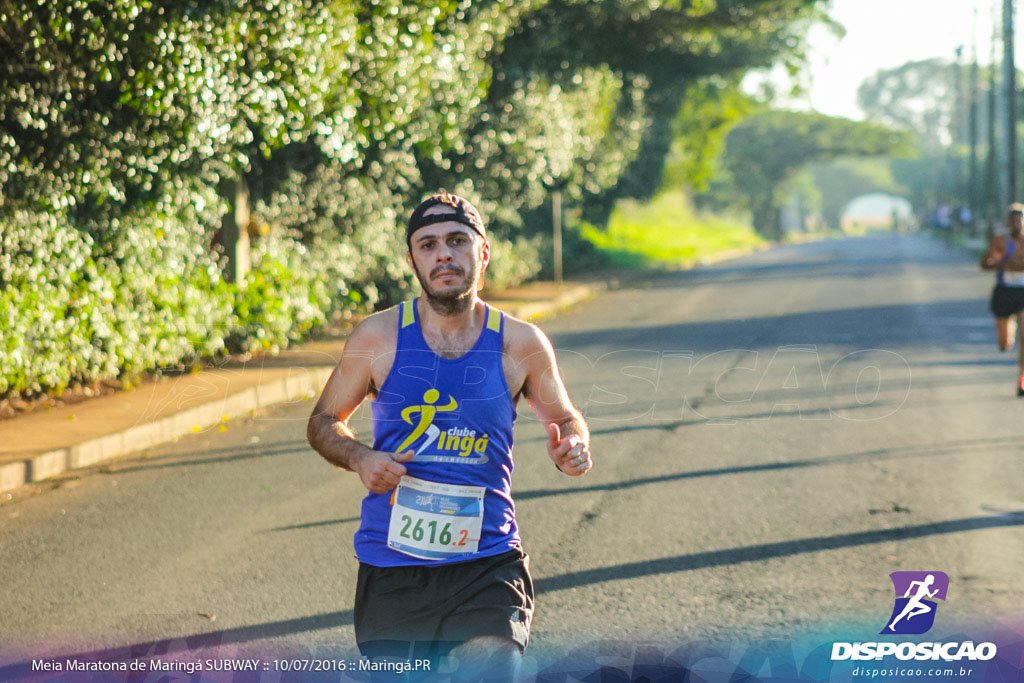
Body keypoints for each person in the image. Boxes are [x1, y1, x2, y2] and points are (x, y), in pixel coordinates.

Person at [306, 190, 593, 680]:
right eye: (428, 244)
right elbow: (323, 422)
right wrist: (359, 458)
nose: (444, 254)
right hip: (393, 566)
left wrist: (572, 443)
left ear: (482, 253)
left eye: (458, 240)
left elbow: (564, 418)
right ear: (413, 259)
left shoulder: (520, 343)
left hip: (487, 561)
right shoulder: (378, 338)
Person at [980, 203, 1024, 395]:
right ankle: (1006, 339)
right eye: (1013, 220)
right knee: (1005, 343)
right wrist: (1002, 265)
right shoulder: (1000, 241)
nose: (1017, 223)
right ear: (1008, 222)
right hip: (1004, 293)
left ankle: (1021, 379)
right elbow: (984, 263)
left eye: (1020, 219)